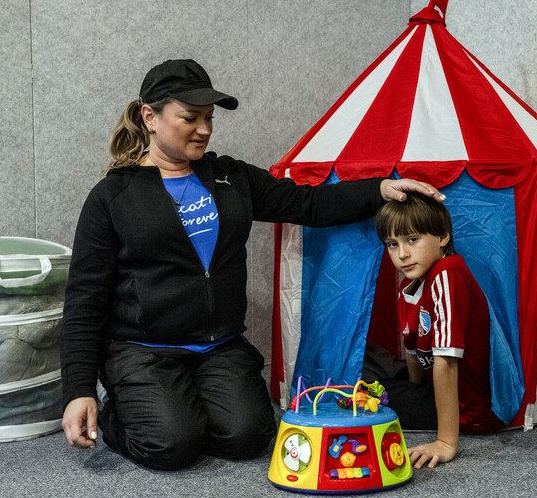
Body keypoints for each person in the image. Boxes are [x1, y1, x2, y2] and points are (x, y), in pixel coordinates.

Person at [60, 59, 443, 470]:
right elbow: (85, 297)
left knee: (249, 437)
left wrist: (379, 189)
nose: (204, 129)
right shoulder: (112, 197)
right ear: (149, 117)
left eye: (208, 118)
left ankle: (179, 402)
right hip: (144, 348)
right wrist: (78, 388)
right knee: (170, 445)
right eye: (190, 118)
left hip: (218, 347)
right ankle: (124, 407)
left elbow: (306, 203)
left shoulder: (230, 178)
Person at [373, 193, 504, 469]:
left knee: (362, 391)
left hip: (466, 407)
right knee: (370, 366)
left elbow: (446, 359)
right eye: (392, 244)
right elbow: (412, 354)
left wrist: (445, 442)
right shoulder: (410, 287)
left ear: (443, 236)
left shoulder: (447, 274)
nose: (402, 254)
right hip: (432, 391)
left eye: (412, 240)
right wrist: (411, 390)